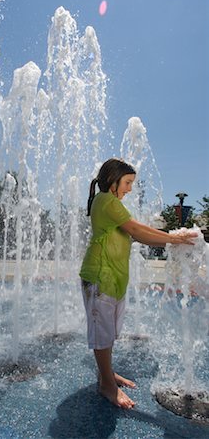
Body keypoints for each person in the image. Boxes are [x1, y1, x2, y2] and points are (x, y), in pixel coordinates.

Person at [79, 158, 197, 409]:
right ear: (112, 181)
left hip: (113, 279)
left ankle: (107, 374)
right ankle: (107, 386)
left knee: (108, 332)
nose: (130, 189)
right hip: (101, 277)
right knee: (103, 334)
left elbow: (139, 234)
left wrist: (171, 238)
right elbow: (136, 230)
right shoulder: (107, 201)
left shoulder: (111, 205)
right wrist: (173, 239)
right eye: (127, 183)